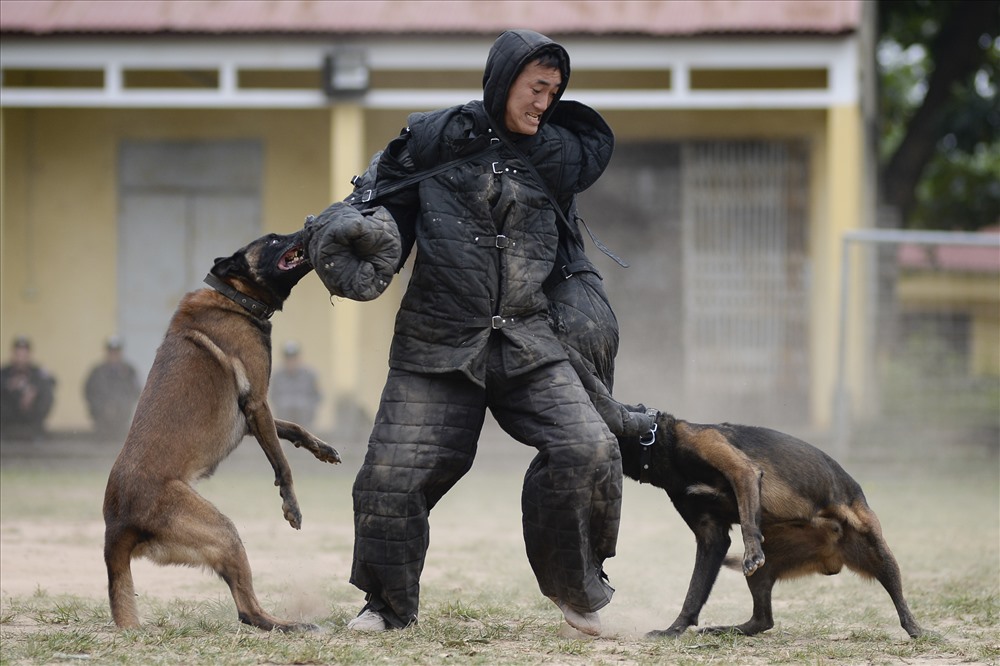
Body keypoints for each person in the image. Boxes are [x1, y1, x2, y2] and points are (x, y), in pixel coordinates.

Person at [305, 29, 654, 636]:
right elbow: (378, 203)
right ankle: (385, 607)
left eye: (554, 91)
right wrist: (365, 234)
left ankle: (577, 593)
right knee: (390, 476)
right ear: (503, 80)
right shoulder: (437, 141)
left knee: (589, 449)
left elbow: (568, 245)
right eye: (535, 87)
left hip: (529, 341)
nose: (544, 102)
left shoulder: (556, 157)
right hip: (437, 343)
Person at [84, 335, 142, 440]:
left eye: (116, 352)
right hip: (101, 420)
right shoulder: (97, 371)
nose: (113, 355)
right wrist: (102, 406)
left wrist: (122, 404)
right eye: (111, 352)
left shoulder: (129, 371)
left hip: (122, 421)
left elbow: (136, 391)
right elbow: (89, 391)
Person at [0, 336, 56, 441]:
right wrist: (9, 386)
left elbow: (53, 380)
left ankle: (37, 432)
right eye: (18, 354)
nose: (21, 358)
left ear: (29, 355)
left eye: (24, 354)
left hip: (31, 414)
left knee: (47, 393)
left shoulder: (37, 371)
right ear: (13, 354)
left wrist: (34, 391)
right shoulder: (4, 372)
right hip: (9, 414)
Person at [269, 340, 322, 431]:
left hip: (305, 421)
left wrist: (309, 406)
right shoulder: (277, 376)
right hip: (284, 422)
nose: (291, 361)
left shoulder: (310, 374)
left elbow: (318, 396)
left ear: (299, 358)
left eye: (293, 358)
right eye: (288, 358)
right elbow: (273, 396)